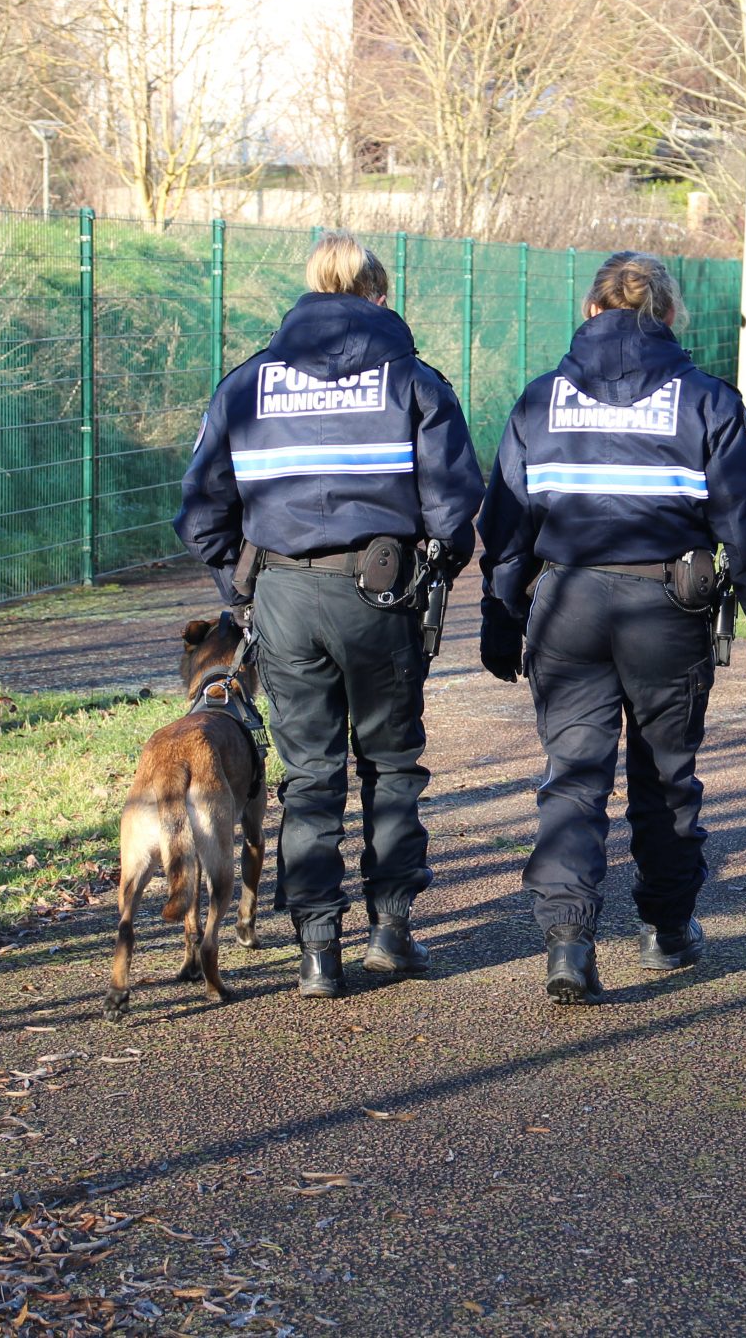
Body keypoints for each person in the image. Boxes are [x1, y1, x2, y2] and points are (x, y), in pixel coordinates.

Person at [478, 252, 746, 1005]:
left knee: (573, 781)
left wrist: (501, 614)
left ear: (591, 311)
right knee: (663, 779)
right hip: (667, 608)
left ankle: (568, 943)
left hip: (566, 606)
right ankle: (666, 929)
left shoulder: (539, 401)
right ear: (668, 316)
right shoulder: (707, 401)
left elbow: (507, 526)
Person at [174, 233, 483, 999]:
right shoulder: (412, 379)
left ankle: (317, 951)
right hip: (379, 594)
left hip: (280, 595)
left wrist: (239, 584)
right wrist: (438, 559)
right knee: (390, 765)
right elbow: (454, 501)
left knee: (310, 775)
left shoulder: (247, 384)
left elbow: (200, 508)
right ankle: (390, 930)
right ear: (379, 296)